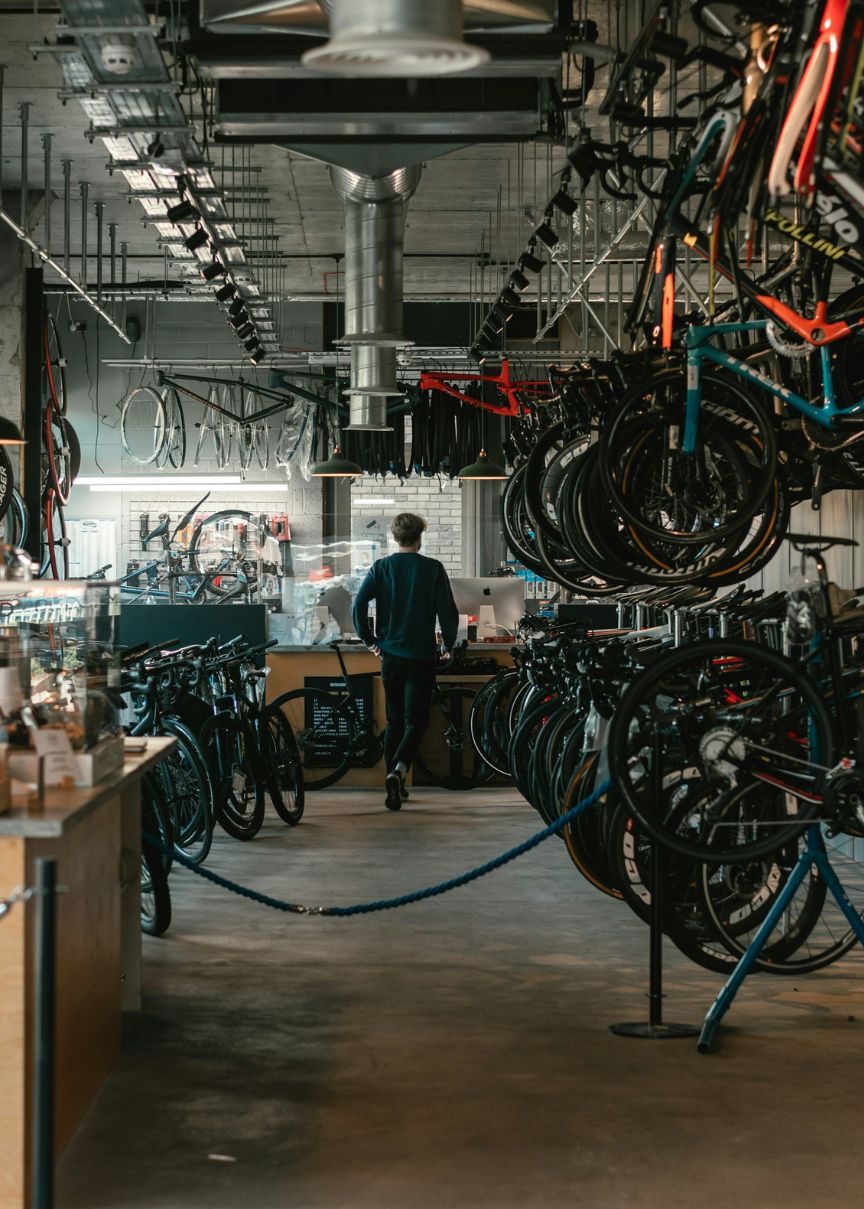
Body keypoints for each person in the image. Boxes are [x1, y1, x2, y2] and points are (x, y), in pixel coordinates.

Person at [352, 512, 459, 811]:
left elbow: (358, 604)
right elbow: (446, 611)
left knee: (395, 721)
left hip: (390, 657)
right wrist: (448, 643)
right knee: (417, 721)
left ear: (395, 537)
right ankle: (398, 771)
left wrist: (370, 640)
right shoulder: (433, 569)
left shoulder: (381, 567)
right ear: (419, 537)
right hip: (421, 657)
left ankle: (392, 777)